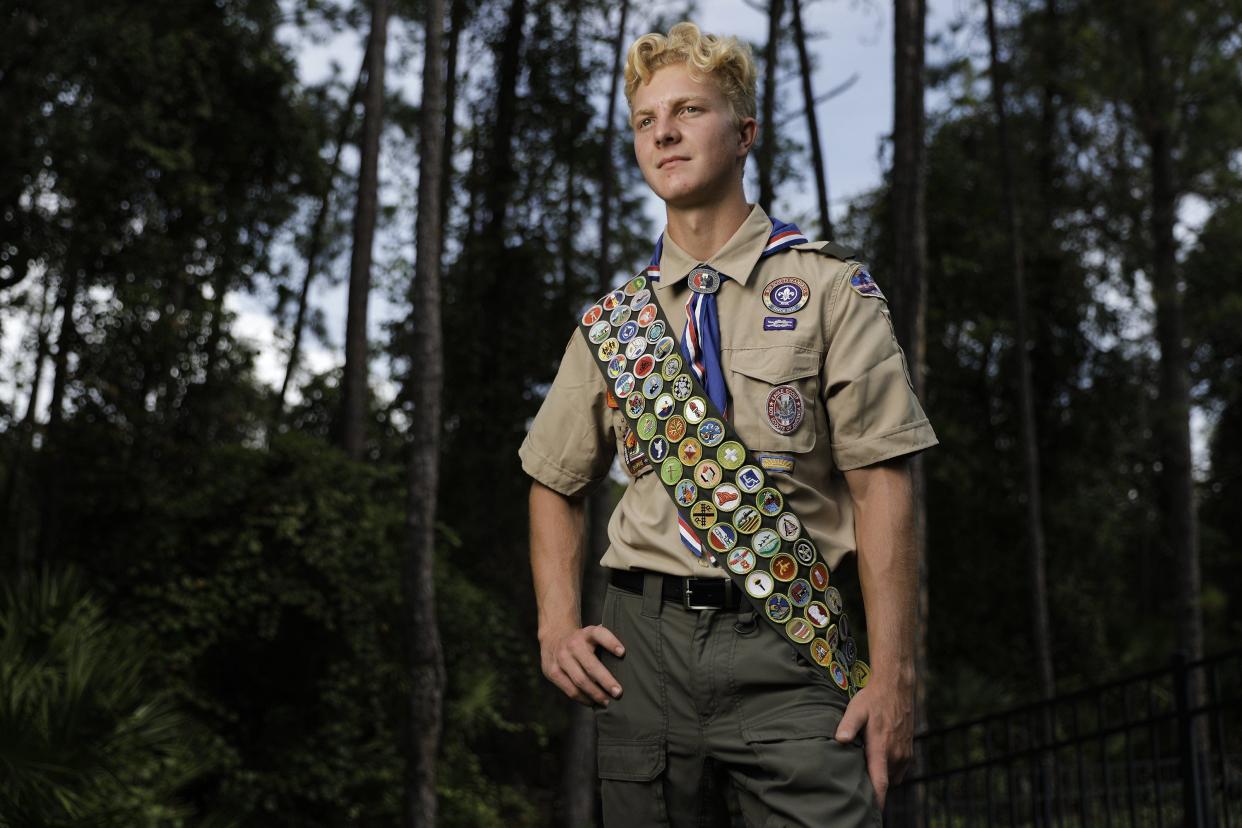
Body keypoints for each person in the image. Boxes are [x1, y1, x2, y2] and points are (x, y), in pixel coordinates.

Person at [520, 21, 938, 827]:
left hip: (788, 643)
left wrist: (893, 676)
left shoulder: (829, 291)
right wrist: (556, 625)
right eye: (645, 120)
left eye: (688, 110)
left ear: (745, 132)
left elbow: (880, 482)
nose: (664, 133)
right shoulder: (614, 324)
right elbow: (551, 477)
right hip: (640, 650)